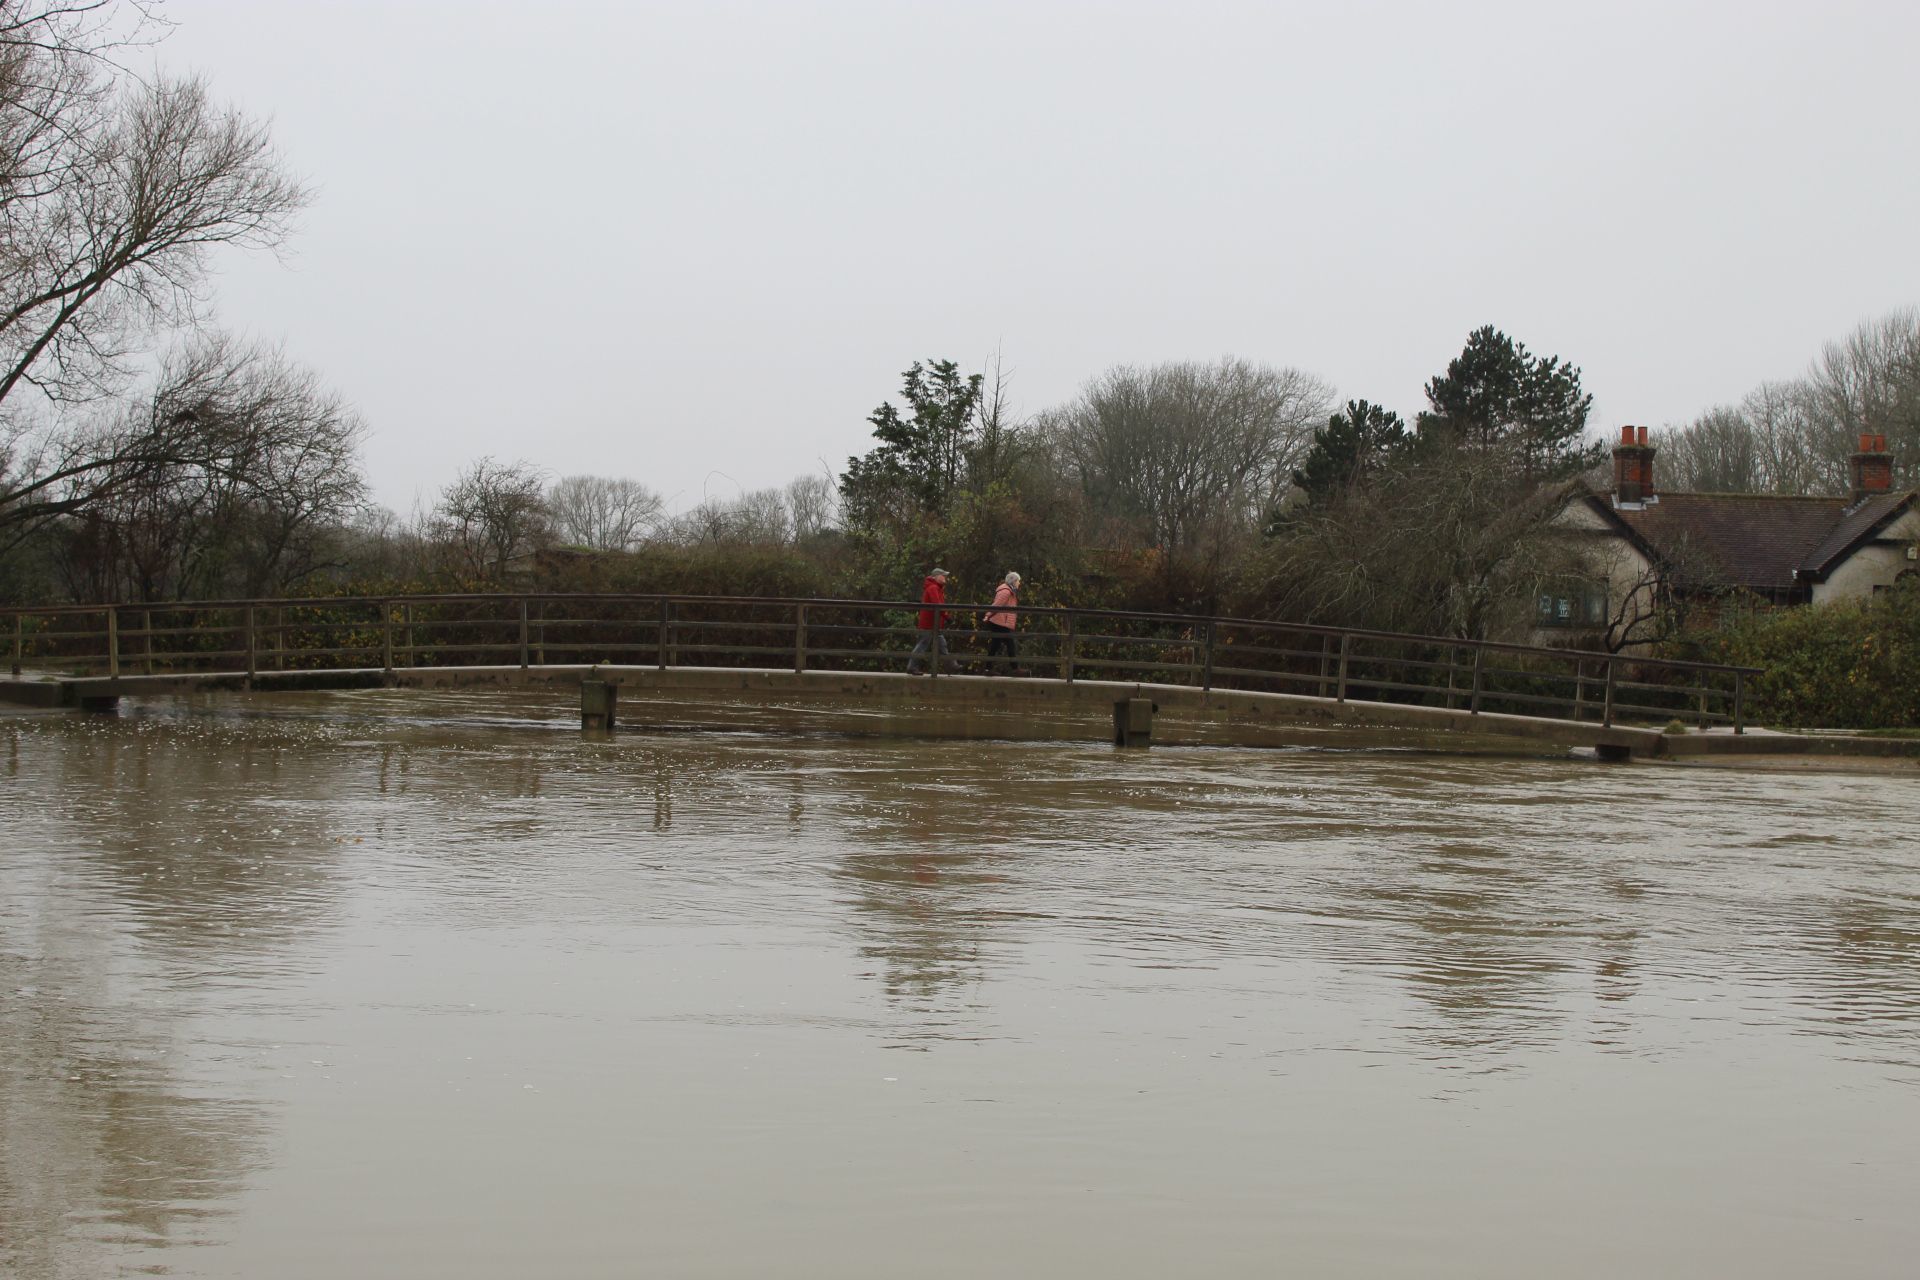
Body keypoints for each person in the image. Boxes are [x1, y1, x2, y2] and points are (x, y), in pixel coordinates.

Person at [905, 567, 956, 674]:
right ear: (936, 577)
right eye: (943, 575)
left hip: (935, 623)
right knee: (922, 645)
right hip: (929, 623)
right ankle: (911, 667)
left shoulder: (937, 588)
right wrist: (947, 616)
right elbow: (937, 605)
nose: (945, 577)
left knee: (942, 645)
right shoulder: (933, 588)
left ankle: (951, 666)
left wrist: (945, 616)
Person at [981, 571, 1022, 674]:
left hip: (1001, 621)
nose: (1019, 583)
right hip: (999, 622)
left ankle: (988, 669)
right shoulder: (1006, 591)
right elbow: (996, 605)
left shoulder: (1010, 590)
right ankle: (1015, 669)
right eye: (1018, 581)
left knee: (995, 645)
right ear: (1013, 581)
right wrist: (987, 615)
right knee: (1010, 644)